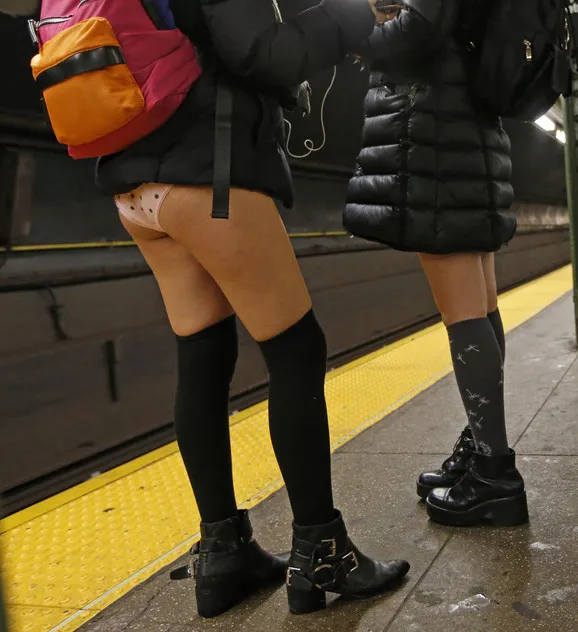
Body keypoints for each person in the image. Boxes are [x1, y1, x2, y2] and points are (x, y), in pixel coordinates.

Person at [95, 0, 409, 618]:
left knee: (203, 352)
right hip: (204, 172)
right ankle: (322, 551)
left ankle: (224, 553)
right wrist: (350, 19)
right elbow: (263, 52)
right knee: (295, 348)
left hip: (134, 189)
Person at [344, 0, 528, 528]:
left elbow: (421, 27)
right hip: (462, 127)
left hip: (435, 138)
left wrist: (363, 35)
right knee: (480, 300)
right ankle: (483, 447)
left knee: (463, 310)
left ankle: (495, 475)